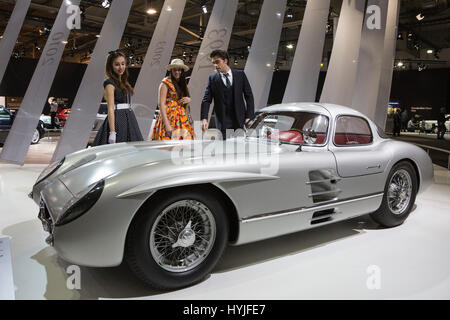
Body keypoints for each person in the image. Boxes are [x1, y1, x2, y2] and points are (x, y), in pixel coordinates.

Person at [201, 50, 255, 139]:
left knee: (240, 148)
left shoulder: (240, 75)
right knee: (224, 149)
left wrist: (249, 116)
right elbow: (206, 100)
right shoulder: (212, 79)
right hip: (222, 121)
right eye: (213, 63)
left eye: (217, 62)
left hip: (240, 119)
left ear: (225, 61)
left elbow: (249, 96)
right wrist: (204, 118)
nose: (215, 65)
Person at [93, 50, 143, 146]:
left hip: (129, 118)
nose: (121, 67)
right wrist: (112, 132)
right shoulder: (109, 83)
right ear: (111, 66)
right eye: (117, 64)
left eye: (123, 64)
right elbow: (111, 108)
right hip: (119, 120)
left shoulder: (124, 82)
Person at [151, 58, 195, 140]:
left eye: (179, 70)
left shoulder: (183, 84)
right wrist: (167, 124)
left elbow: (185, 102)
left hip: (182, 118)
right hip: (169, 118)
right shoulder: (165, 83)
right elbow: (161, 104)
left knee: (184, 146)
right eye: (175, 70)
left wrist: (189, 100)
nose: (177, 72)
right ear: (171, 70)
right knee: (168, 145)